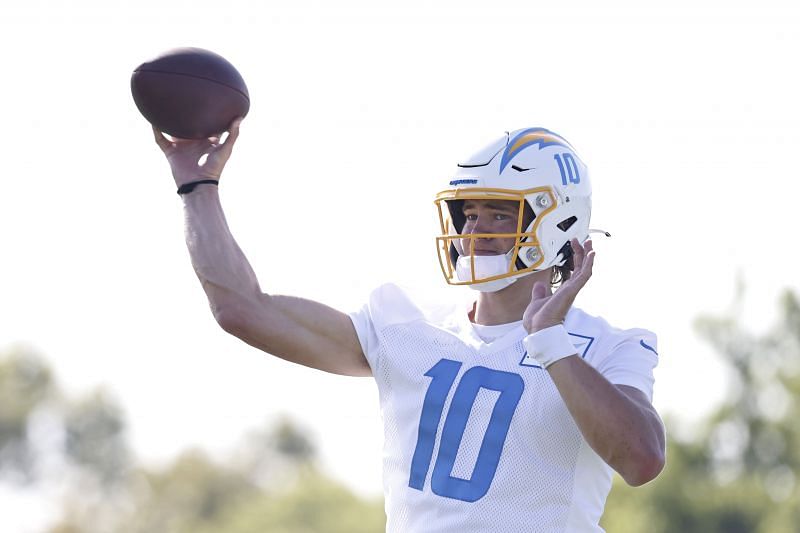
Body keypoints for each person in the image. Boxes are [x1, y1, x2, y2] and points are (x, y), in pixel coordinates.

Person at [153, 123, 666, 532]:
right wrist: (196, 185)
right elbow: (242, 309)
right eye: (469, 213)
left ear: (557, 221)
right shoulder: (408, 326)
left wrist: (551, 344)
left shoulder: (604, 346)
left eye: (499, 213)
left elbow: (641, 459)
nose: (473, 231)